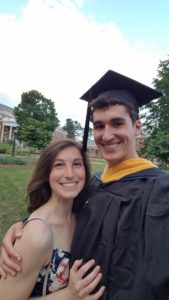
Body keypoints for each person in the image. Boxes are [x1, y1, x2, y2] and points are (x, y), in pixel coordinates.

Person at [1, 69, 169, 300]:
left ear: (137, 128)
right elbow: (57, 218)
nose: (106, 135)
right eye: (99, 126)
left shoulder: (160, 193)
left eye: (117, 123)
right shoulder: (93, 184)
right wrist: (22, 229)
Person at [0, 139, 105, 300]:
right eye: (59, 165)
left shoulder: (80, 217)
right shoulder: (37, 234)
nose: (70, 174)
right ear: (46, 173)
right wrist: (68, 295)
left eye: (77, 164)